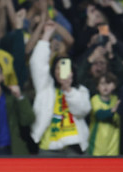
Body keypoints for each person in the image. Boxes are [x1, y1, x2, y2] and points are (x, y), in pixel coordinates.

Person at [30, 22, 91, 156]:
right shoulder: (46, 88)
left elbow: (82, 110)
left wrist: (68, 89)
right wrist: (46, 35)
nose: (60, 71)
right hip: (48, 147)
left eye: (65, 67)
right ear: (53, 71)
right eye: (57, 68)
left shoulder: (81, 90)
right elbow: (37, 63)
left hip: (74, 146)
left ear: (72, 72)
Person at [88, 72, 121, 156]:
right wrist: (113, 110)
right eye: (102, 83)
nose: (105, 86)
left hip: (113, 144)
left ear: (114, 85)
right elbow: (100, 115)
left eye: (109, 83)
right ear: (97, 87)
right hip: (97, 144)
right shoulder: (95, 99)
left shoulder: (116, 99)